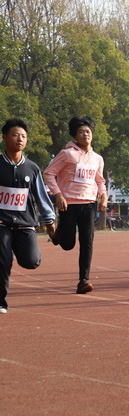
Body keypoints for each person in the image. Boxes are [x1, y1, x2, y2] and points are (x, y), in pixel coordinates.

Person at [44, 116, 107, 294]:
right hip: (69, 204)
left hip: (89, 204)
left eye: (88, 131)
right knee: (67, 244)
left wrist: (103, 196)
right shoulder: (67, 154)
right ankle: (55, 234)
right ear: (75, 135)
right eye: (81, 132)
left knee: (87, 242)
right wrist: (58, 194)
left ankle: (83, 281)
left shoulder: (97, 159)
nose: (85, 134)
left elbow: (100, 180)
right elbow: (49, 173)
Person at [0, 118, 57, 313]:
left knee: (31, 262)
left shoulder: (32, 168)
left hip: (25, 224)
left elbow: (41, 196)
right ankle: (1, 302)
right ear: (5, 137)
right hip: (2, 224)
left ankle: (11, 249)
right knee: (3, 261)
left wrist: (50, 221)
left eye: (23, 136)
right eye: (15, 135)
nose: (20, 139)